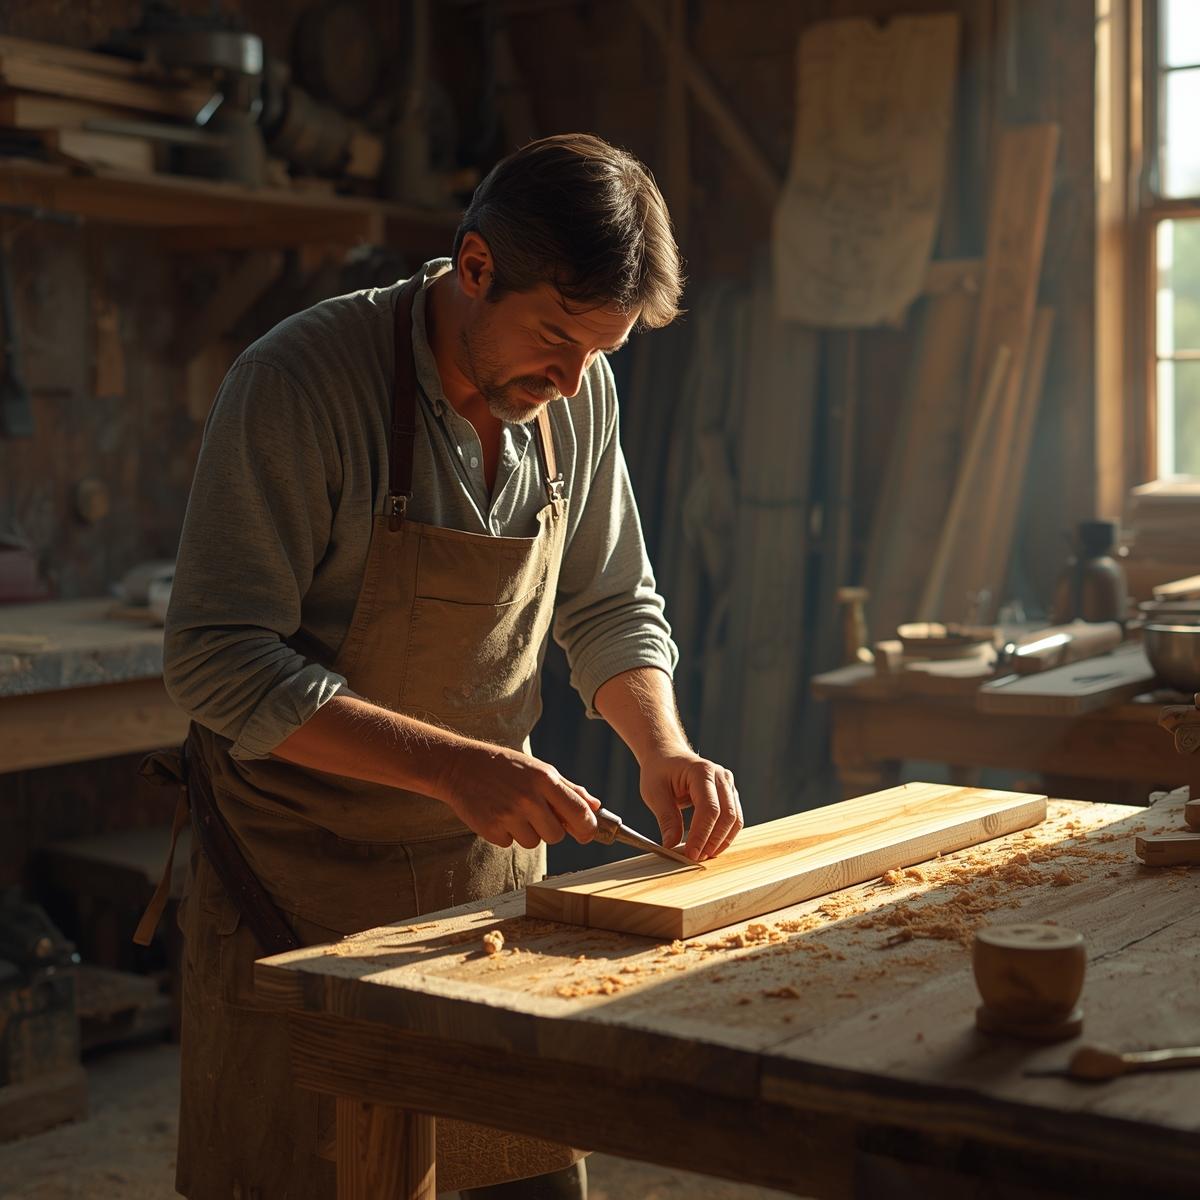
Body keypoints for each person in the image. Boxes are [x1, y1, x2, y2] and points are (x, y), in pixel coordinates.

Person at [155, 132, 742, 1199]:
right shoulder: (299, 382)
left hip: (486, 891)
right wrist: (453, 767)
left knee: (509, 1183)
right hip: (294, 885)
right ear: (475, 268)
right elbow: (216, 659)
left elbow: (610, 601)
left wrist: (664, 748)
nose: (568, 384)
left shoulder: (576, 396)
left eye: (598, 357)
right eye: (555, 340)